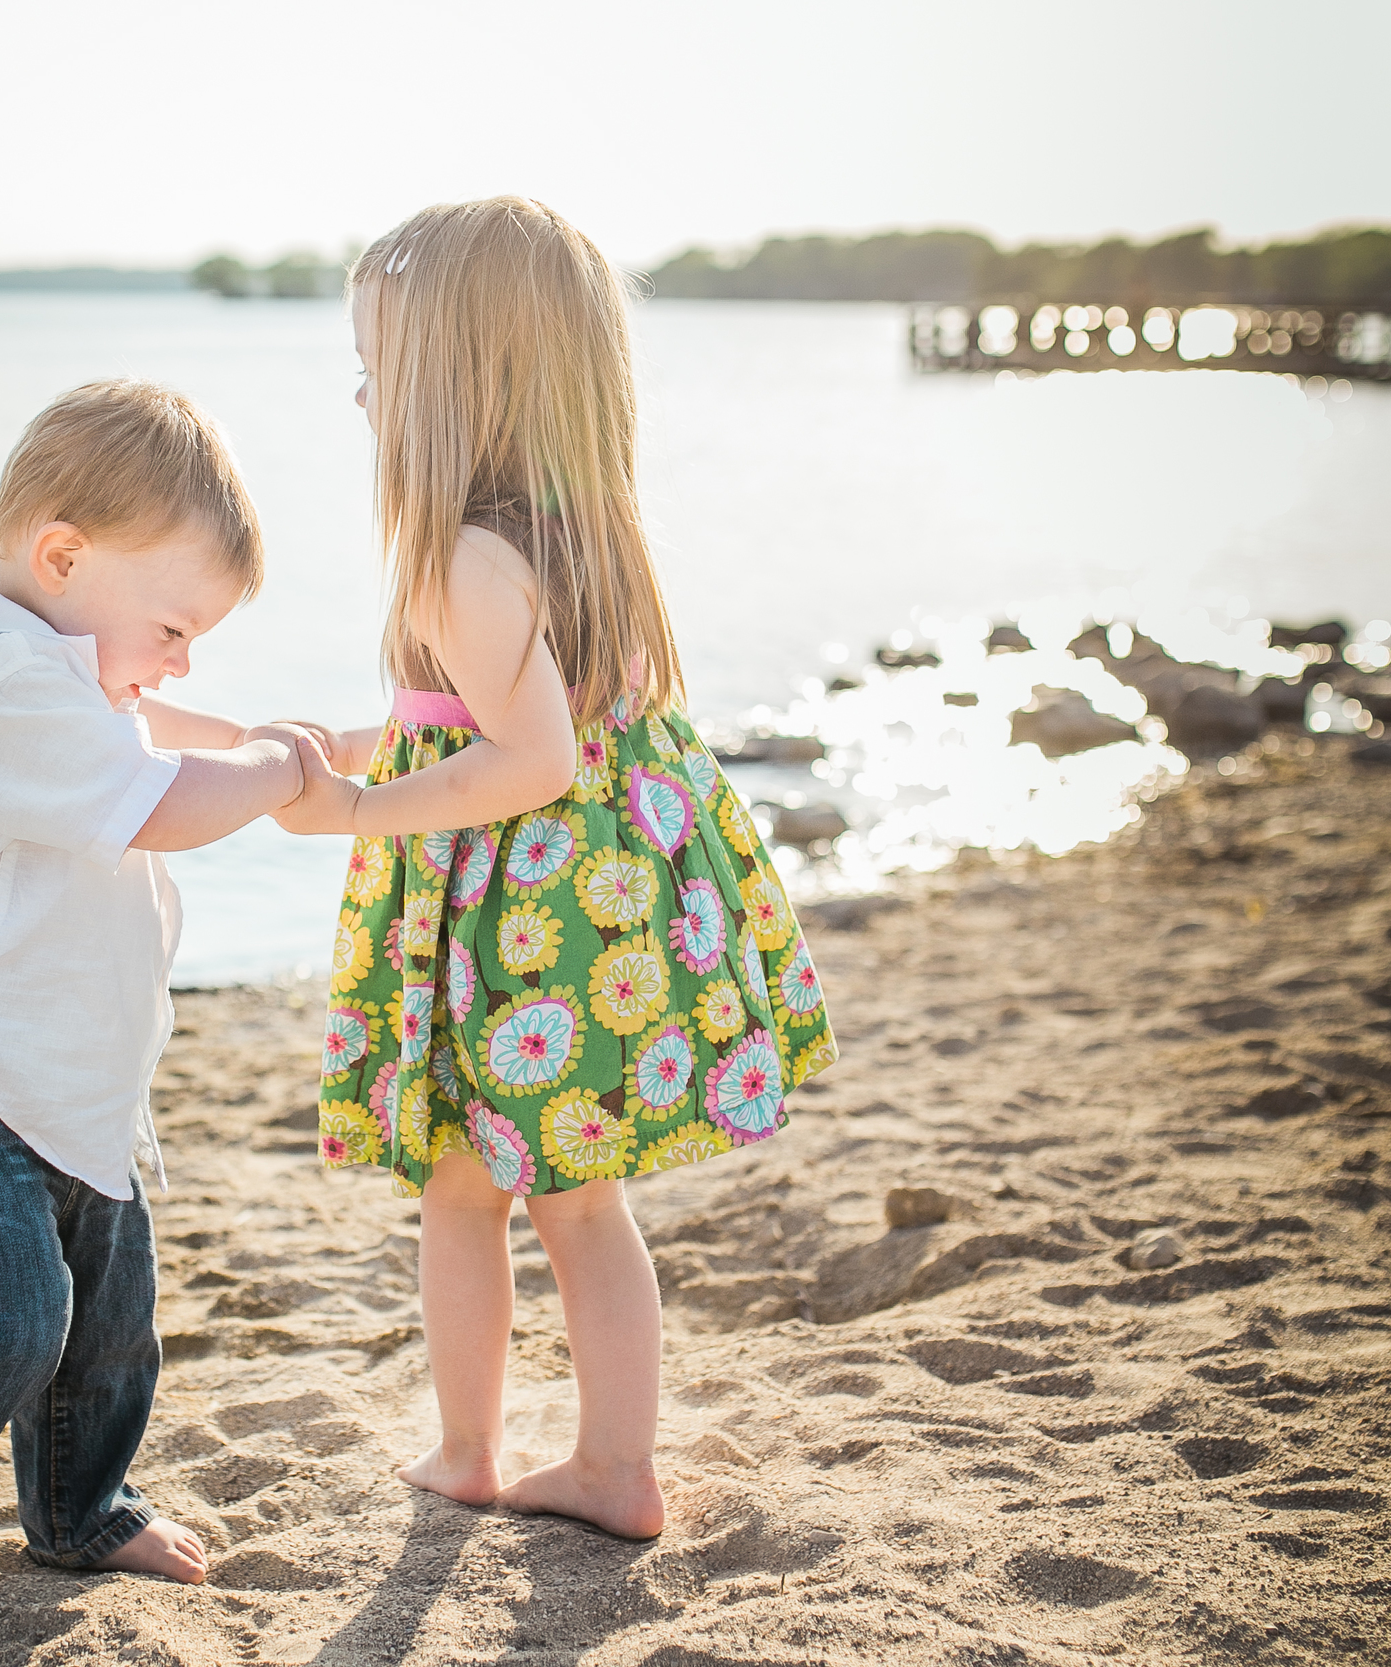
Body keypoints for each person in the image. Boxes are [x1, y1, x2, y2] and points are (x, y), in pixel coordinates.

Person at [273, 199, 840, 1540]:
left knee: (463, 1190)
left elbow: (522, 759)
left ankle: (472, 1448)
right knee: (583, 1201)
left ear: (453, 380)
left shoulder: (458, 556)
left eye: (375, 357)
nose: (358, 385)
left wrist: (355, 807)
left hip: (515, 932)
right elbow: (491, 721)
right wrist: (346, 743)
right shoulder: (588, 529)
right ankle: (612, 1460)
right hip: (610, 912)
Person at [0, 379, 339, 1611]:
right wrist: (267, 767)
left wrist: (311, 747)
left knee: (106, 1322)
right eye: (171, 626)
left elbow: (171, 735)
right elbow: (163, 797)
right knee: (5, 1317)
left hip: (59, 1079)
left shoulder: (66, 678)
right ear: (60, 553)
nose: (180, 659)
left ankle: (80, 1509)